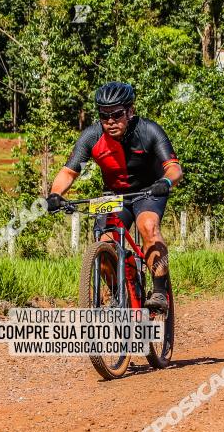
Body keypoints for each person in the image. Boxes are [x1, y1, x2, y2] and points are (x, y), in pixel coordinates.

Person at [45, 81, 182, 312]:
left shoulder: (149, 130)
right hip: (114, 195)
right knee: (105, 243)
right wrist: (55, 194)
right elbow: (68, 172)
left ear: (130, 111)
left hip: (148, 190)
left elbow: (175, 169)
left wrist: (166, 182)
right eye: (104, 115)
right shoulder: (91, 136)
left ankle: (159, 292)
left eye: (117, 114)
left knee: (148, 226)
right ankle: (122, 296)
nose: (110, 121)